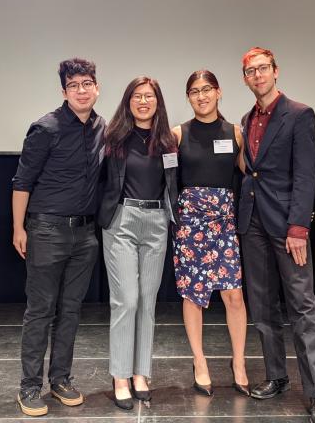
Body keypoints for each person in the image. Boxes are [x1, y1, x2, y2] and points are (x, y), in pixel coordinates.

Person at [237, 47, 315, 423]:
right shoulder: (247, 118)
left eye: (263, 68)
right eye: (250, 71)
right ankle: (277, 376)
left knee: (302, 307)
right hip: (253, 223)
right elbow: (252, 170)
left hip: (287, 225)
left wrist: (298, 227)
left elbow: (307, 174)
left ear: (276, 71)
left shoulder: (299, 114)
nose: (257, 75)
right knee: (262, 308)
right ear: (244, 78)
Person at [11, 58, 105, 417]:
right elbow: (22, 182)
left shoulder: (102, 128)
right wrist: (19, 228)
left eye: (87, 83)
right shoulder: (45, 128)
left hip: (85, 235)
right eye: (74, 85)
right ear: (64, 91)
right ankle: (29, 387)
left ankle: (61, 379)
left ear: (97, 87)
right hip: (47, 230)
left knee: (70, 310)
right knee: (40, 311)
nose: (82, 91)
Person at [97, 76, 178, 410]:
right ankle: (120, 376)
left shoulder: (168, 141)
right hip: (122, 222)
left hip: (157, 222)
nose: (144, 101)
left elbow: (173, 184)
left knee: (147, 301)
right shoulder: (113, 138)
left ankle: (141, 374)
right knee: (126, 301)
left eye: (150, 96)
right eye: (137, 96)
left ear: (158, 101)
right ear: (128, 101)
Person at [171, 70, 250, 397]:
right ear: (188, 97)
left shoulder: (236, 133)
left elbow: (252, 175)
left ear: (218, 92)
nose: (201, 96)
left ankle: (239, 363)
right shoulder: (177, 133)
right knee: (194, 295)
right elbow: (165, 179)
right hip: (190, 224)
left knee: (233, 295)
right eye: (194, 91)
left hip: (224, 222)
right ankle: (200, 362)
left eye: (206, 89)